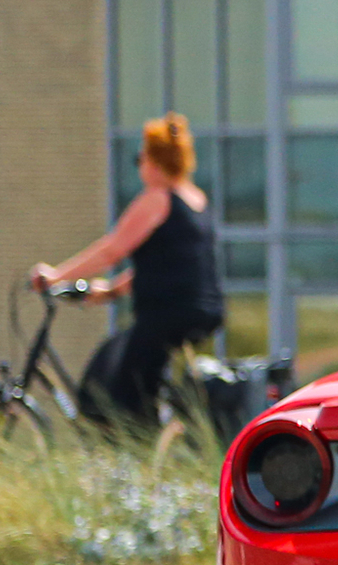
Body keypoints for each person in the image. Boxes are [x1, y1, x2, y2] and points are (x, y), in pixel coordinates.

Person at [31, 114, 226, 432]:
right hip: (199, 310)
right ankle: (147, 441)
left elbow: (112, 250)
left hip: (168, 314)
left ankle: (137, 462)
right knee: (123, 365)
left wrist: (56, 276)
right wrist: (110, 291)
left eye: (140, 157)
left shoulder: (157, 200)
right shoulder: (196, 200)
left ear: (152, 160)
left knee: (116, 390)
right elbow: (166, 262)